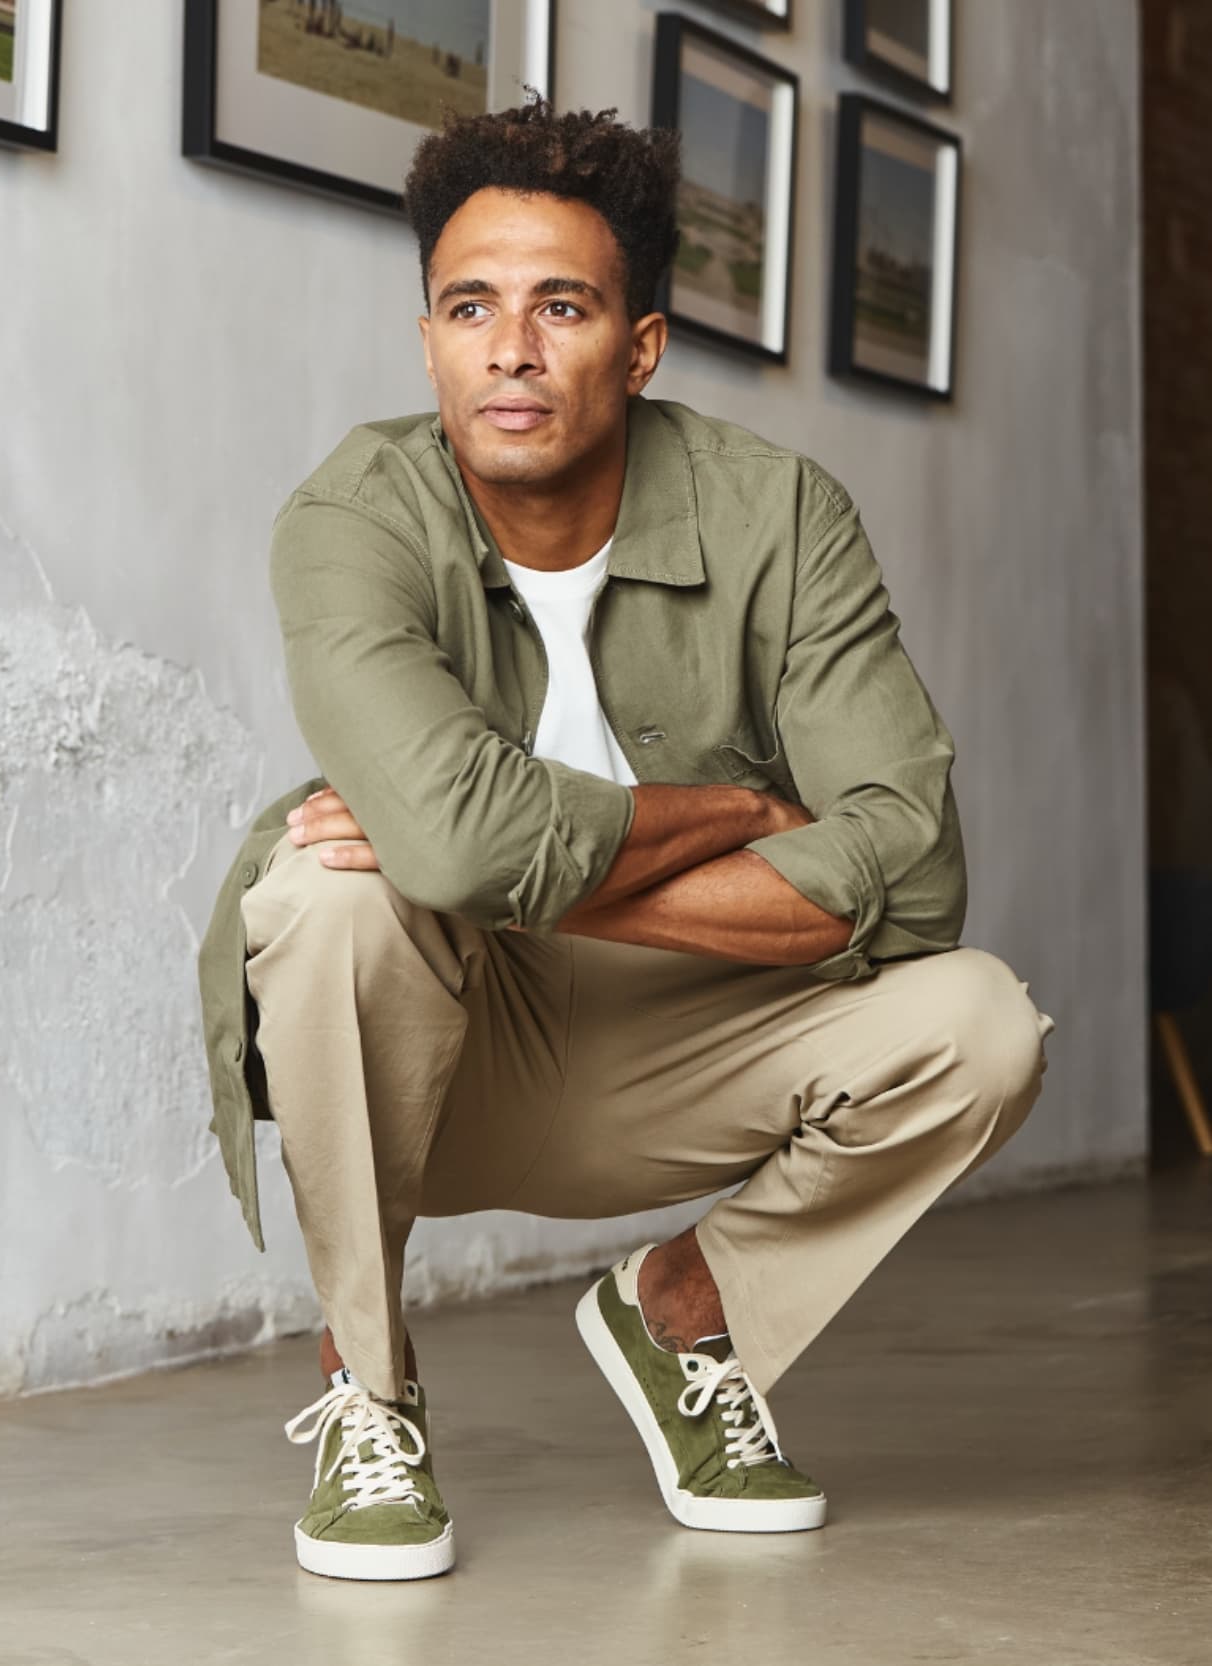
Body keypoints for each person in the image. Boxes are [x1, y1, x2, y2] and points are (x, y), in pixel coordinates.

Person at [196, 96, 1056, 1583]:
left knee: (980, 1021)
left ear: (640, 345)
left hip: (690, 1036)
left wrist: (505, 876)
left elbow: (915, 867)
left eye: (561, 307)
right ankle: (368, 1385)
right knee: (332, 897)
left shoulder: (780, 516)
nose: (510, 350)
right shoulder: (353, 514)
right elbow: (442, 853)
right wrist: (733, 811)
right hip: (432, 1049)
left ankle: (684, 1311)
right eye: (469, 308)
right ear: (427, 341)